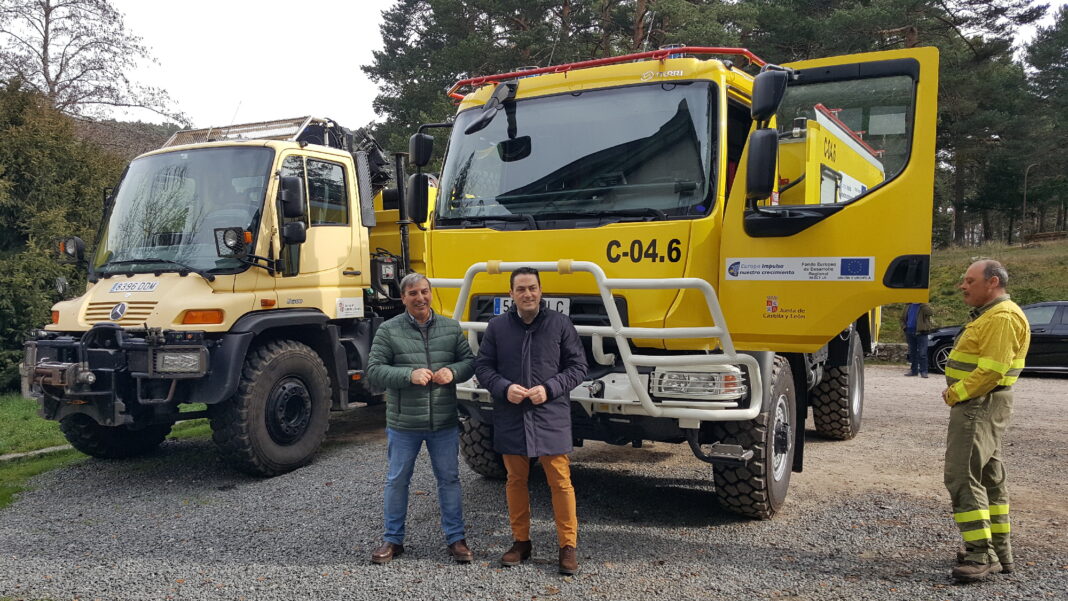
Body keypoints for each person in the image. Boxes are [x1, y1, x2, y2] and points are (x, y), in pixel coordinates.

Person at [475, 267, 588, 575]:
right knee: (515, 480)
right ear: (511, 294)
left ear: (540, 291)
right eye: (521, 289)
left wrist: (549, 388)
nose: (528, 294)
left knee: (560, 481)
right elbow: (483, 367)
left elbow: (578, 366)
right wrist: (503, 388)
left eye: (532, 288)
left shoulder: (560, 324)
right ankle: (521, 542)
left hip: (550, 414)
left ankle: (567, 546)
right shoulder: (497, 327)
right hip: (511, 414)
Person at [366, 272, 476, 565]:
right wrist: (408, 375)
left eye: (424, 291)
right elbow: (374, 370)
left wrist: (453, 371)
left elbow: (469, 362)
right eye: (413, 293)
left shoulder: (451, 328)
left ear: (430, 293)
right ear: (403, 298)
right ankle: (393, 539)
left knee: (449, 480)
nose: (420, 298)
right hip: (404, 424)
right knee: (397, 480)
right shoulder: (389, 330)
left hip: (443, 421)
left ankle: (456, 539)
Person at [941, 260, 1030, 583]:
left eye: (970, 280)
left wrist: (956, 393)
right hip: (985, 404)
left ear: (992, 282)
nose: (963, 286)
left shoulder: (1001, 318)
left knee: (962, 476)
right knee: (990, 477)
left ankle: (980, 554)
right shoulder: (992, 315)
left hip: (978, 404)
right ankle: (1000, 552)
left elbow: (992, 371)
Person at [900, 302, 936, 377]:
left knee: (922, 353)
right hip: (909, 332)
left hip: (921, 332)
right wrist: (904, 327)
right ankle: (914, 371)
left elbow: (930, 313)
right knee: (912, 353)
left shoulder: (923, 306)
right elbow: (902, 319)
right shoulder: (908, 305)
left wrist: (923, 304)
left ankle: (924, 372)